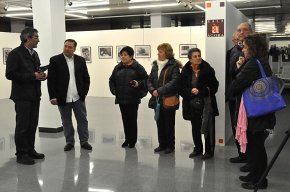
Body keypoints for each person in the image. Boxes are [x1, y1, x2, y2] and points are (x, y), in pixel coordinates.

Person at [228, 33, 275, 190]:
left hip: (256, 112)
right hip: (260, 111)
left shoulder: (254, 63)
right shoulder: (259, 61)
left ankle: (260, 180)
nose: (244, 50)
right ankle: (254, 174)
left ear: (253, 48)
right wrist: (241, 67)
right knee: (255, 146)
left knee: (256, 147)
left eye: (246, 47)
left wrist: (240, 69)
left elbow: (236, 84)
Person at [5, 27, 46, 165]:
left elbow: (37, 70)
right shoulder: (15, 54)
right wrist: (32, 76)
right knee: (22, 126)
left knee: (32, 124)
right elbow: (10, 74)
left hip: (35, 95)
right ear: (28, 38)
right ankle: (21, 154)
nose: (38, 40)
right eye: (36, 37)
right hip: (22, 96)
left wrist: (41, 75)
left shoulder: (35, 54)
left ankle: (30, 150)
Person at [47, 39, 92, 151]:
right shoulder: (55, 60)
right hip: (62, 97)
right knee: (66, 120)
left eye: (70, 47)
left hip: (78, 97)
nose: (67, 48)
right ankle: (70, 142)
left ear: (74, 49)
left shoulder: (80, 60)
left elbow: (86, 78)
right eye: (65, 46)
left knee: (82, 120)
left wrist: (84, 92)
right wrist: (52, 96)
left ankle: (84, 141)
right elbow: (51, 80)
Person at [179, 48, 219, 160]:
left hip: (206, 103)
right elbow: (181, 87)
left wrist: (201, 91)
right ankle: (198, 149)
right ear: (190, 59)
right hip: (191, 103)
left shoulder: (208, 69)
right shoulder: (185, 71)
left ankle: (209, 151)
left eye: (199, 55)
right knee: (195, 127)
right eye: (195, 56)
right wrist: (190, 91)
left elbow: (214, 86)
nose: (198, 58)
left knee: (208, 127)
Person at [109, 46, 148, 148]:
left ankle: (133, 141)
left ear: (131, 56)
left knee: (132, 120)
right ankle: (127, 139)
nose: (123, 57)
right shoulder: (118, 67)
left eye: (125, 55)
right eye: (121, 55)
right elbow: (111, 80)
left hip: (133, 98)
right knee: (125, 120)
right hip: (121, 99)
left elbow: (146, 80)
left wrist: (138, 83)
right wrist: (113, 90)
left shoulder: (138, 67)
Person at [226, 22, 252, 164]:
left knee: (246, 126)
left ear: (251, 33)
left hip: (246, 95)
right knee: (236, 124)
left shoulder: (253, 51)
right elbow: (230, 71)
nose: (241, 32)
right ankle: (242, 154)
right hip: (234, 94)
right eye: (239, 30)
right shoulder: (234, 51)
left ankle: (247, 156)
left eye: (245, 30)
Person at [147, 43, 180, 154]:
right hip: (157, 99)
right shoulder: (155, 65)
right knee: (159, 122)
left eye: (160, 51)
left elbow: (174, 82)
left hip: (168, 99)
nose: (158, 53)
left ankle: (170, 146)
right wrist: (152, 90)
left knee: (169, 124)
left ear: (167, 53)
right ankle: (162, 144)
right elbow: (149, 80)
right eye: (158, 51)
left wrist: (159, 90)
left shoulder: (174, 65)